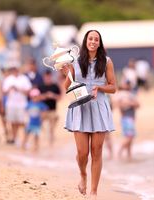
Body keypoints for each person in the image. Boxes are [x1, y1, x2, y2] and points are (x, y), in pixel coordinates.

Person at [62, 30, 116, 198]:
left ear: (99, 43)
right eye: (90, 38)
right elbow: (66, 88)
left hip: (99, 107)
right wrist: (68, 76)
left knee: (97, 150)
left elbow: (113, 87)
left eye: (96, 39)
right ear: (85, 41)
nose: (93, 41)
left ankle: (94, 191)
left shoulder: (106, 62)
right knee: (83, 152)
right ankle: (83, 175)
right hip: (80, 107)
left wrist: (99, 88)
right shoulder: (75, 62)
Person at [2, 66, 32, 144]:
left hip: (22, 104)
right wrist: (10, 88)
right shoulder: (8, 79)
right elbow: (4, 92)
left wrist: (18, 89)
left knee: (23, 122)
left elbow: (28, 91)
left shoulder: (24, 78)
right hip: (11, 104)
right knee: (13, 122)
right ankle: (15, 138)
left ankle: (25, 139)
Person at [114, 80, 139, 161]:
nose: (127, 85)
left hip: (129, 117)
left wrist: (130, 103)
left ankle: (129, 156)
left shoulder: (130, 94)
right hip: (126, 117)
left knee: (129, 137)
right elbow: (119, 104)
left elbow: (137, 104)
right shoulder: (122, 94)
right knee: (130, 136)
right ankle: (119, 153)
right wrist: (130, 103)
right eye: (125, 83)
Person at [38, 70, 61, 147]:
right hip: (42, 111)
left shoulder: (55, 86)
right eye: (46, 77)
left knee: (52, 128)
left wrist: (53, 96)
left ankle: (51, 144)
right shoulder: (40, 86)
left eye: (48, 76)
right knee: (37, 125)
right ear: (44, 77)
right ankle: (39, 141)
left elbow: (60, 97)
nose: (47, 78)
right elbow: (36, 98)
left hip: (52, 110)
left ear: (51, 76)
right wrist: (45, 96)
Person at [21, 88, 47, 152]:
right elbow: (25, 112)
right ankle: (23, 145)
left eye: (36, 97)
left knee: (36, 136)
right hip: (30, 123)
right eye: (33, 97)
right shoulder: (29, 104)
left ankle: (36, 147)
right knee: (26, 134)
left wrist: (42, 120)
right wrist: (25, 121)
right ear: (31, 97)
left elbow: (44, 113)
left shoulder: (41, 105)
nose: (35, 98)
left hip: (37, 123)